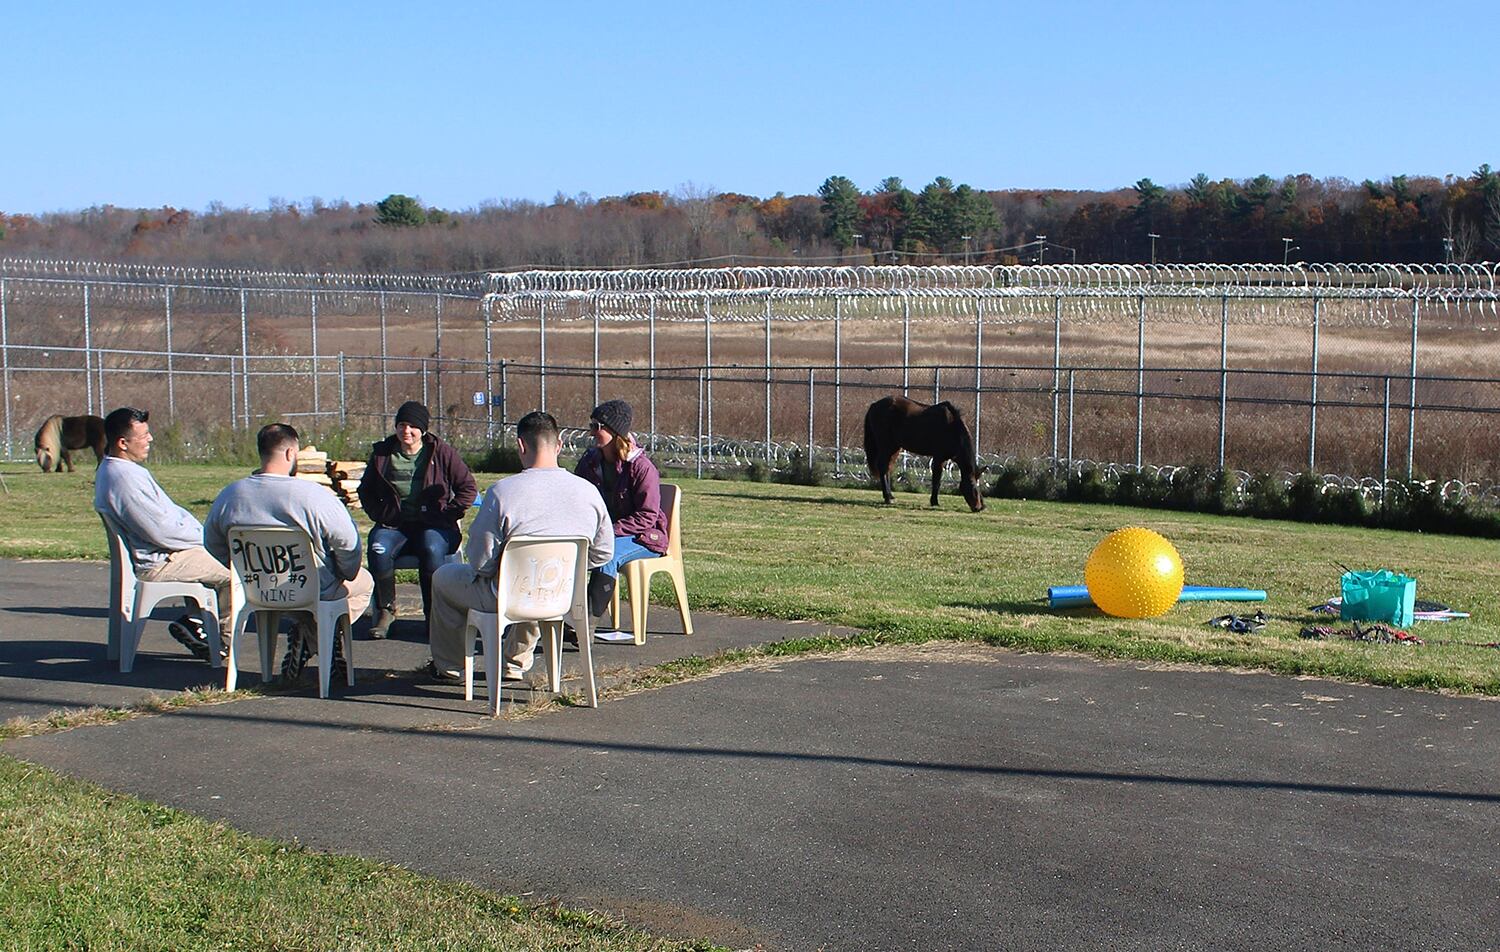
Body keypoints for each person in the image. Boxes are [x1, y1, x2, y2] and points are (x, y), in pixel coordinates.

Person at [426, 410, 611, 683]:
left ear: (521, 445)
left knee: (443, 578)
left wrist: (499, 568)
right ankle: (515, 661)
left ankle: (452, 667)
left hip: (509, 594)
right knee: (535, 577)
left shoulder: (503, 492)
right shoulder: (588, 492)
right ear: (559, 445)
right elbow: (604, 550)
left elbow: (480, 559)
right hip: (561, 594)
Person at [203, 423, 374, 684]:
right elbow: (348, 543)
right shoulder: (313, 495)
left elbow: (212, 542)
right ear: (290, 453)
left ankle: (308, 635)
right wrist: (345, 572)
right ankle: (316, 638)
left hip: (256, 589)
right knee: (363, 582)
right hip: (311, 587)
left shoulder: (231, 495)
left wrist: (240, 569)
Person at [93, 406, 231, 662]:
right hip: (160, 560)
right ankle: (221, 642)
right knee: (238, 574)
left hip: (168, 552)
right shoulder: (123, 479)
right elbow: (160, 531)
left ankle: (197, 622)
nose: (150, 439)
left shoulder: (116, 470)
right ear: (123, 443)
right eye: (143, 435)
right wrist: (207, 538)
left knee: (222, 562)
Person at [356, 400, 476, 638]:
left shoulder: (441, 452)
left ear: (423, 429)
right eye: (401, 425)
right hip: (395, 525)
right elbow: (365, 491)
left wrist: (449, 514)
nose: (406, 431)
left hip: (434, 524)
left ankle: (433, 615)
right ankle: (385, 610)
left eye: (412, 426)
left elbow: (467, 487)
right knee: (378, 548)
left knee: (432, 549)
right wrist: (379, 514)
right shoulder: (383, 454)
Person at [574, 399, 668, 626]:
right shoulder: (589, 462)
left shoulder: (641, 467)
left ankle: (586, 622)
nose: (592, 432)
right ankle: (563, 614)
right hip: (603, 532)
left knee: (609, 554)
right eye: (591, 425)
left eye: (598, 427)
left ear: (614, 431)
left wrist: (609, 531)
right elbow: (576, 496)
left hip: (643, 536)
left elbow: (648, 516)